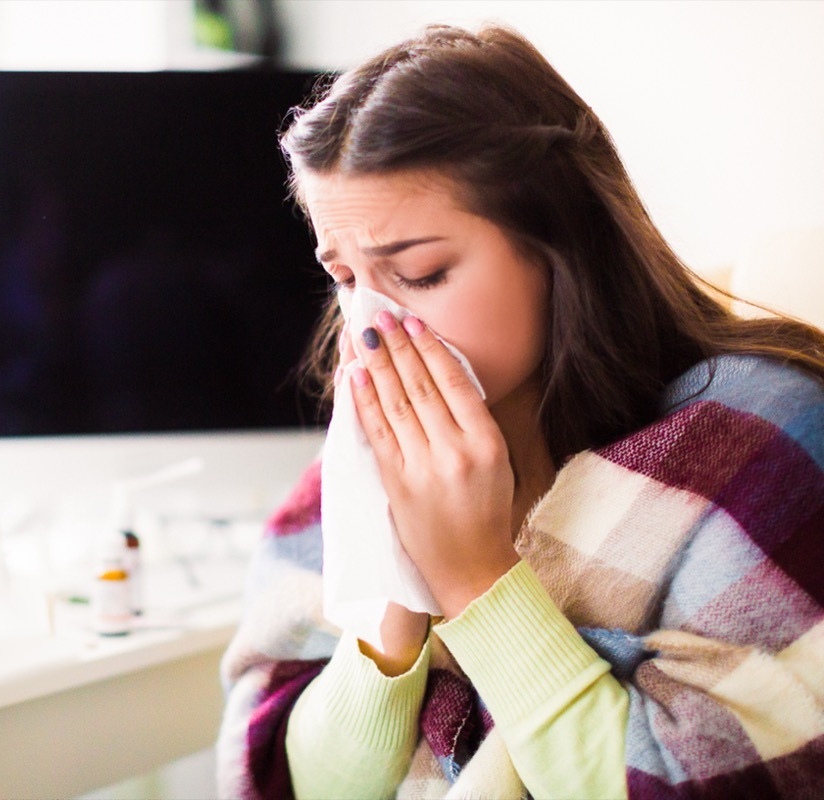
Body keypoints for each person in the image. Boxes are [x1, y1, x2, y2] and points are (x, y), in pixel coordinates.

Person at [216, 23, 824, 800]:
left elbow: (708, 782)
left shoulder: (756, 441)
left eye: (420, 272)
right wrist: (395, 592)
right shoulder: (345, 476)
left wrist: (475, 577)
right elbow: (298, 784)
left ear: (559, 249)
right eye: (344, 276)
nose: (373, 323)